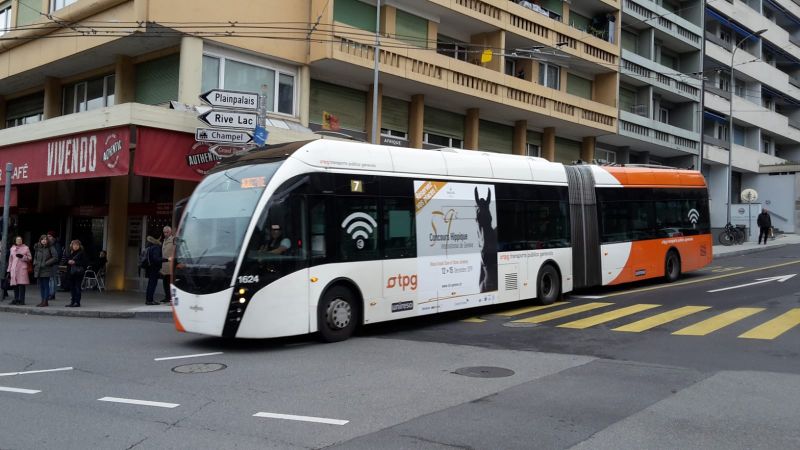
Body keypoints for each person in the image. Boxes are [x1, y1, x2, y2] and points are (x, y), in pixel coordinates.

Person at [33, 234, 59, 307]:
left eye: (45, 239)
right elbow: (35, 257)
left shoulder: (51, 247)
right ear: (40, 240)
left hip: (46, 269)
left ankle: (45, 301)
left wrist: (46, 263)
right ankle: (42, 301)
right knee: (41, 286)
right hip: (39, 269)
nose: (44, 241)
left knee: (46, 285)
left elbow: (55, 257)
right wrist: (35, 263)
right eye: (42, 239)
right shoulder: (38, 247)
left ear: (47, 240)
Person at [7, 236, 32, 305]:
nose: (19, 241)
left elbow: (30, 258)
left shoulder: (26, 248)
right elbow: (10, 260)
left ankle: (22, 300)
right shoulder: (12, 248)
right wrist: (9, 270)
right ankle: (16, 299)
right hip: (14, 269)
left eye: (20, 239)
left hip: (22, 269)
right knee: (15, 285)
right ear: (15, 241)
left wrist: (23, 257)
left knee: (21, 285)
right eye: (18, 240)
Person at [65, 239, 88, 307]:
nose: (75, 246)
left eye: (77, 245)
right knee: (72, 288)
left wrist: (75, 262)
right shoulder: (70, 252)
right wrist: (68, 261)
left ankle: (77, 302)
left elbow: (85, 263)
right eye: (74, 245)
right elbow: (66, 260)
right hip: (71, 272)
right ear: (71, 245)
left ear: (79, 246)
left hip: (78, 273)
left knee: (77, 287)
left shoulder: (82, 253)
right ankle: (72, 301)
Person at [143, 236, 163, 306]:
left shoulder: (149, 247)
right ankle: (150, 300)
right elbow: (156, 259)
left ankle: (148, 300)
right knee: (152, 285)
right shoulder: (156, 247)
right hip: (154, 268)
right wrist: (166, 259)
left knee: (150, 284)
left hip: (150, 268)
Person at [160, 226, 175, 303]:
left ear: (170, 232)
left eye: (167, 232)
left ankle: (171, 298)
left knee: (170, 283)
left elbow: (175, 251)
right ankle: (167, 297)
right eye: (164, 232)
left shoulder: (173, 240)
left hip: (170, 265)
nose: (165, 234)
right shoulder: (164, 240)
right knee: (165, 283)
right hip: (164, 265)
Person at [46, 232, 63, 300]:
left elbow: (58, 255)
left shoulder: (56, 244)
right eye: (47, 236)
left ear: (53, 237)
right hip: (48, 264)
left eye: (50, 236)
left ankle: (52, 294)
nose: (48, 237)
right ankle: (50, 293)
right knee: (49, 279)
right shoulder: (48, 244)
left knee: (52, 279)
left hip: (53, 264)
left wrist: (50, 261)